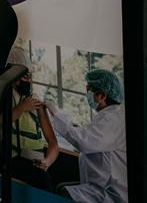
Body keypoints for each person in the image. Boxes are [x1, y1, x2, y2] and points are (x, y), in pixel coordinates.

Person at [45, 69, 127, 203]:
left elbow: (84, 141)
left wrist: (56, 113)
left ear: (102, 95)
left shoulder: (112, 120)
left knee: (63, 191)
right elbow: (90, 135)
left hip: (109, 193)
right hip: (100, 185)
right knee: (62, 188)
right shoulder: (110, 116)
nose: (86, 94)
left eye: (88, 90)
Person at [0, 46, 59, 191]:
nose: (28, 80)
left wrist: (46, 162)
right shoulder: (1, 96)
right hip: (8, 161)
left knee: (44, 182)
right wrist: (22, 108)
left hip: (34, 165)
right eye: (23, 76)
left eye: (29, 76)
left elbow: (53, 143)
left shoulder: (36, 102)